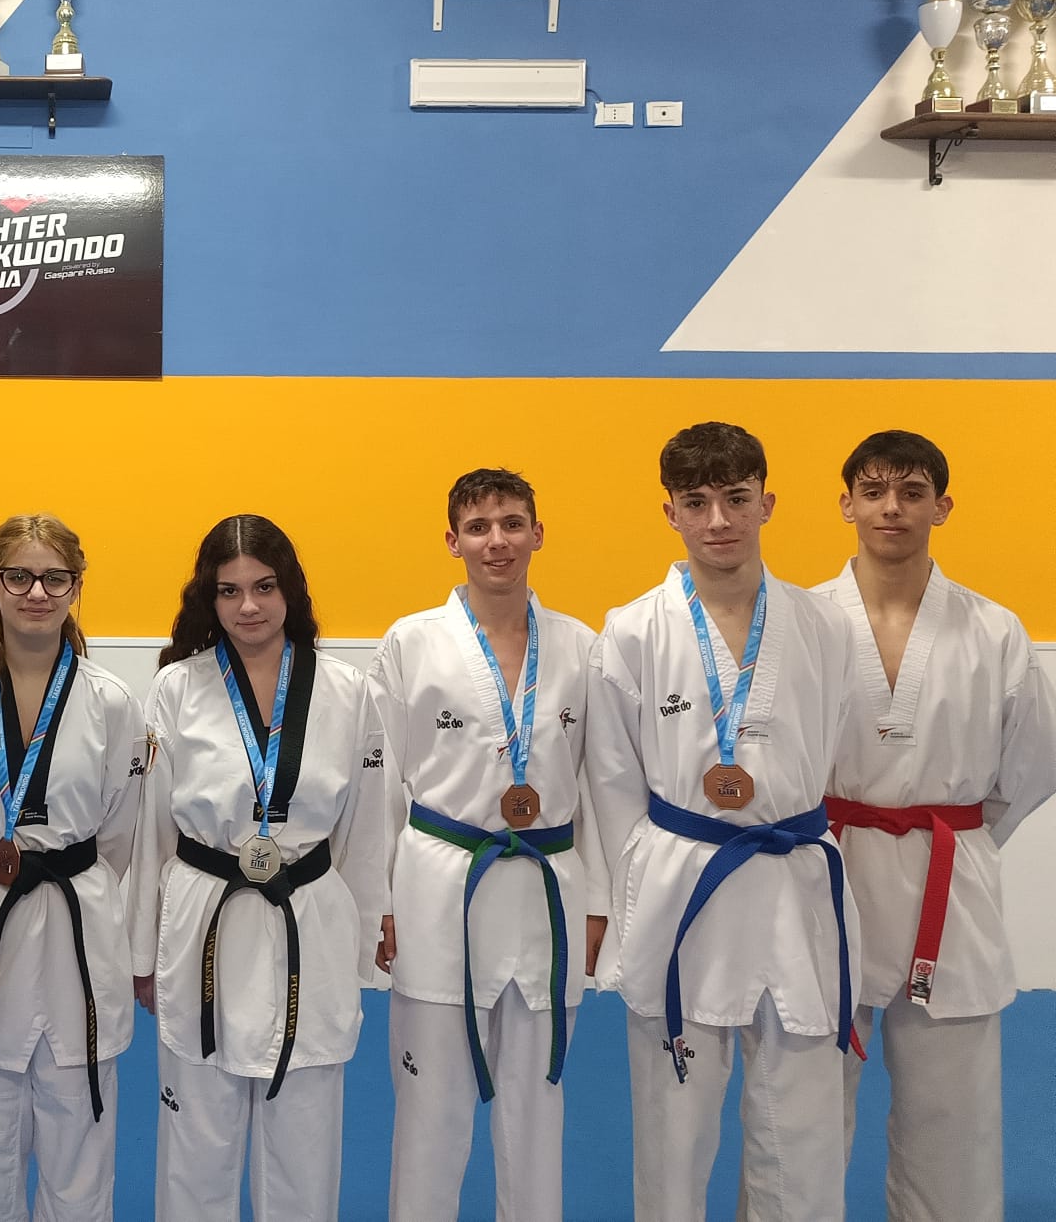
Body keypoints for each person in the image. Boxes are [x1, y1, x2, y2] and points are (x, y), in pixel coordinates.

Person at [587, 421, 863, 1222]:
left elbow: (834, 744)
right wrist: (627, 899)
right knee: (674, 1126)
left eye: (737, 499)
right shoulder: (632, 629)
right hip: (683, 884)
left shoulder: (823, 625)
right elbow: (612, 783)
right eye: (697, 502)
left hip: (795, 878)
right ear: (669, 512)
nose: (718, 521)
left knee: (804, 1124)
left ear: (767, 504)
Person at [818, 430, 1056, 1222]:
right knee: (800, 1104)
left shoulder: (994, 630)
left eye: (912, 492)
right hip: (827, 876)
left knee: (954, 1113)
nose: (892, 507)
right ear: (846, 503)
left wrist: (954, 837)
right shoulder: (800, 623)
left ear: (942, 507)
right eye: (874, 490)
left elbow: (1030, 765)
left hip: (946, 880)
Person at [130, 513, 388, 1222]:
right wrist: (142, 952)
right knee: (197, 1142)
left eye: (265, 587)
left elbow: (366, 829)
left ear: (290, 590)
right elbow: (150, 831)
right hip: (203, 918)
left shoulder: (348, 690)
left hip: (308, 915)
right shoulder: (175, 688)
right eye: (230, 590)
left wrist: (364, 935)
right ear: (208, 599)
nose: (249, 606)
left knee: (305, 1142)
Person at [365, 468, 607, 1222]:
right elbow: (380, 785)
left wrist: (600, 904)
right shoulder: (410, 642)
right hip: (440, 889)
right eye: (478, 527)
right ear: (452, 541)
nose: (496, 541)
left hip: (546, 888)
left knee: (537, 1114)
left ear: (538, 533)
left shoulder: (581, 646)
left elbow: (602, 786)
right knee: (430, 1113)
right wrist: (379, 902)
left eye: (511, 523)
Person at [0, 515, 145, 1222]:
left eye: (53, 578)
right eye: (19, 576)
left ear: (77, 586)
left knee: (80, 1147)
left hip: (77, 924)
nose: (36, 593)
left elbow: (119, 833)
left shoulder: (111, 702)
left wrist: (61, 873)